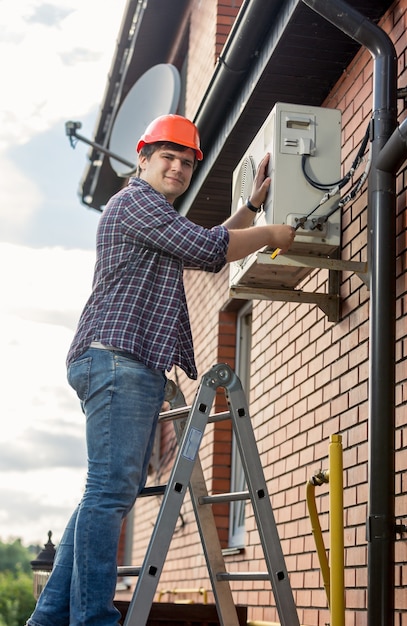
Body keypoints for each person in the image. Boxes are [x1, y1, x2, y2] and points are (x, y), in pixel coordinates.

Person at [27, 114, 295, 626]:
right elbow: (210, 249)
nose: (177, 167)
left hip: (120, 361)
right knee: (108, 492)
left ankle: (50, 617)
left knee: (102, 494)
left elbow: (207, 244)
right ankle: (93, 620)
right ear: (143, 159)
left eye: (187, 161)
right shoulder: (135, 202)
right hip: (118, 360)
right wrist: (271, 232)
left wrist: (252, 208)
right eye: (167, 157)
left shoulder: (156, 216)